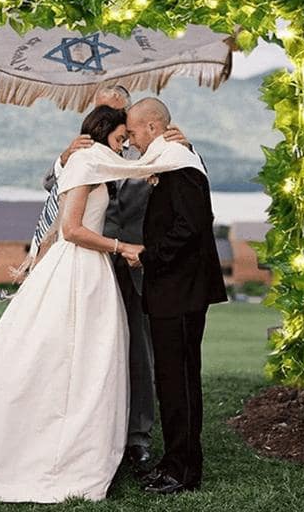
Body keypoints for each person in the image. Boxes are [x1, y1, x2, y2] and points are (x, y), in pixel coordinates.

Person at [0, 105, 203, 504]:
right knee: (59, 357)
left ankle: (127, 442)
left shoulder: (125, 162)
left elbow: (62, 226)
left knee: (109, 360)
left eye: (129, 136)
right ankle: (55, 447)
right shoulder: (83, 162)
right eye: (120, 137)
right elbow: (69, 228)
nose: (126, 144)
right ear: (103, 133)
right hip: (85, 267)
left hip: (114, 275)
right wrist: (120, 246)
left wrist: (185, 149)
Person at [39, 85, 192, 474]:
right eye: (102, 113)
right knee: (86, 352)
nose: (110, 121)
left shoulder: (151, 148)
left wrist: (187, 150)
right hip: (93, 266)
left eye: (118, 114)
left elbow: (185, 179)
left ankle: (137, 438)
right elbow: (54, 186)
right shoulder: (85, 152)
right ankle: (86, 434)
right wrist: (62, 159)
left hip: (140, 266)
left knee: (138, 353)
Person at [122, 97, 228, 495]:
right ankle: (173, 461)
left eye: (133, 132)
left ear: (153, 127)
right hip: (171, 292)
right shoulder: (169, 162)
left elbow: (191, 226)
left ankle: (184, 471)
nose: (131, 141)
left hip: (181, 292)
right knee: (170, 382)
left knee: (179, 383)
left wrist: (148, 256)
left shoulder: (180, 165)